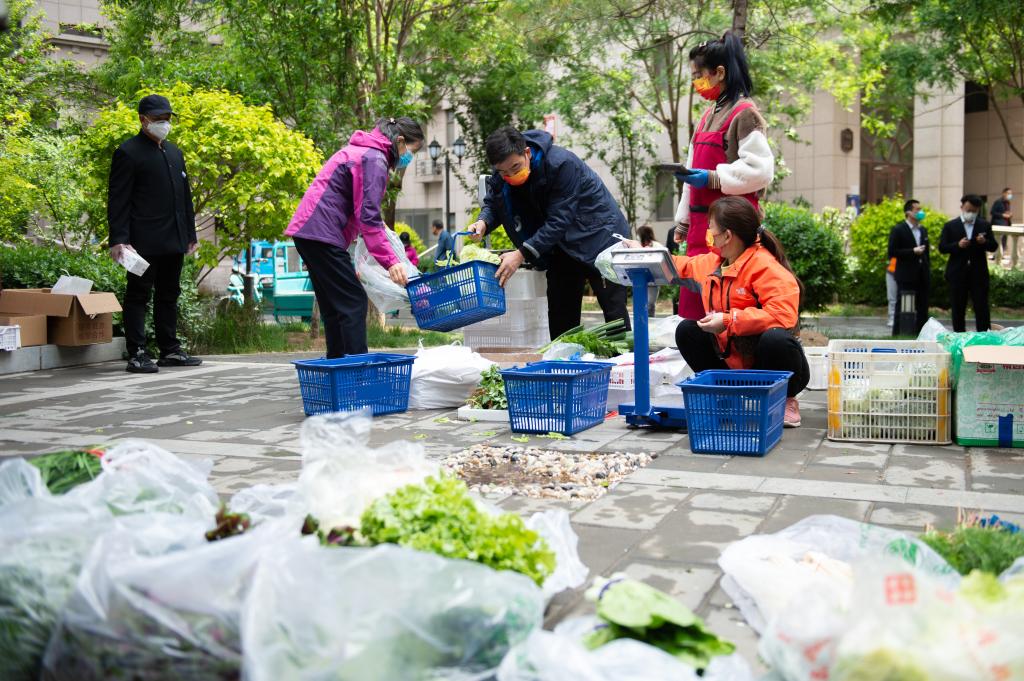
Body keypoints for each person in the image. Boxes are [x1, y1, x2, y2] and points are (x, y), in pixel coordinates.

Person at [654, 196, 808, 427]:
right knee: (687, 330)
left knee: (776, 338)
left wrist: (729, 320)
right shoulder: (715, 262)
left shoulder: (765, 266)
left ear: (727, 235)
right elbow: (680, 265)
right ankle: (724, 396)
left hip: (766, 362)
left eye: (711, 229)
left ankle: (785, 398)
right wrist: (646, 253)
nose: (708, 234)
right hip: (731, 359)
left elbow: (783, 315)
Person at [468, 126, 630, 339]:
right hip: (559, 247)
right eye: (504, 172)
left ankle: (624, 367)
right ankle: (565, 366)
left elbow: (559, 220)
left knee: (614, 314)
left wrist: (520, 254)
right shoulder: (501, 175)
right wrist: (483, 222)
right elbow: (494, 204)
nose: (511, 175)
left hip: (599, 238)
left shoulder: (561, 164)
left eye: (516, 167)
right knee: (562, 319)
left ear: (526, 152)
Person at [285, 116, 424, 358]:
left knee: (335, 306)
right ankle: (357, 374)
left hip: (311, 232)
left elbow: (363, 214)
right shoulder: (375, 159)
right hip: (320, 233)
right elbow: (368, 217)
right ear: (400, 141)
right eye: (412, 151)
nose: (409, 159)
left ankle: (339, 370)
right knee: (353, 301)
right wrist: (391, 262)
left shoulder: (365, 151)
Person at [672, 30, 774, 321]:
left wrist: (714, 178)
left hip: (730, 230)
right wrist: (683, 221)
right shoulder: (706, 116)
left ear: (719, 72)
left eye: (699, 74)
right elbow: (693, 173)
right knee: (694, 306)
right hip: (699, 227)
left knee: (726, 307)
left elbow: (761, 170)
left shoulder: (745, 113)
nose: (696, 82)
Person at [108, 94, 202, 374]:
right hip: (141, 242)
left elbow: (185, 197)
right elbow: (118, 199)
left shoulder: (174, 152)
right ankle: (137, 352)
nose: (164, 124)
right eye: (158, 119)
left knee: (169, 293)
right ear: (143, 119)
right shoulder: (128, 152)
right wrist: (119, 240)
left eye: (167, 119)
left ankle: (170, 350)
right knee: (138, 294)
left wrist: (190, 233)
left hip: (173, 238)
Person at [939, 194, 998, 332]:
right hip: (957, 273)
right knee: (958, 308)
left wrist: (984, 242)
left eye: (974, 211)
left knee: (981, 307)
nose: (970, 213)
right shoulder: (950, 226)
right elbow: (942, 247)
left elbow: (993, 246)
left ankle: (984, 338)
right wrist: (957, 245)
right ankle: (959, 337)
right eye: (968, 210)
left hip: (978, 273)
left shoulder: (984, 225)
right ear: (962, 207)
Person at [888, 199, 931, 336]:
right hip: (905, 274)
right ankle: (898, 333)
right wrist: (912, 251)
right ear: (908, 212)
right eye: (917, 210)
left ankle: (921, 334)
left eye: (920, 209)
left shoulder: (923, 230)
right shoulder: (898, 229)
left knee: (923, 306)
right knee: (903, 304)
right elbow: (892, 252)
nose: (920, 212)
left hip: (921, 273)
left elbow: (927, 252)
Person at [637, 225, 663, 317]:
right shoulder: (637, 245)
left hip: (653, 279)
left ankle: (650, 320)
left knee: (650, 304)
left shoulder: (657, 246)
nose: (637, 237)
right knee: (640, 303)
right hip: (640, 278)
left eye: (638, 235)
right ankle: (642, 321)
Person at [990, 186, 1013, 254]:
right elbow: (992, 212)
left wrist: (1009, 214)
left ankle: (1002, 253)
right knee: (998, 240)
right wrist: (1003, 215)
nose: (1010, 195)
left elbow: (1006, 212)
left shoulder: (1008, 203)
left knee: (1004, 240)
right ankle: (996, 254)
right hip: (998, 224)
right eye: (1008, 193)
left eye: (1011, 194)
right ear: (1004, 193)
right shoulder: (998, 202)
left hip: (1006, 224)